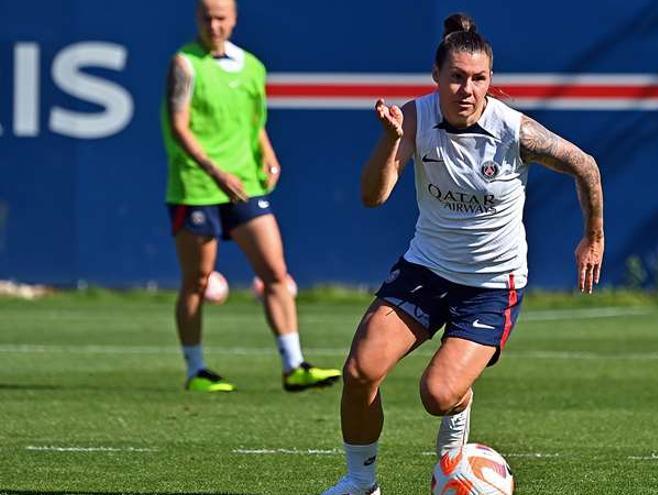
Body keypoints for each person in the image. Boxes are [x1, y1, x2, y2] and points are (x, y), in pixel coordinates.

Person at [321, 12, 604, 495]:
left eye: (478, 79)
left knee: (438, 394)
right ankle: (361, 483)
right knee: (359, 371)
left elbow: (585, 165)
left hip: (491, 287)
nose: (467, 89)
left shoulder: (515, 132)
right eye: (456, 77)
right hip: (425, 270)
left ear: (490, 81)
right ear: (437, 77)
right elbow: (373, 196)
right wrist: (389, 143)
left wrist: (593, 237)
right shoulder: (414, 118)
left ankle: (459, 406)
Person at [161, 0, 341, 393]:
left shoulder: (252, 66)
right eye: (207, 17)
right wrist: (214, 171)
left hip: (244, 184)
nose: (214, 24)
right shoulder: (185, 63)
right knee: (197, 279)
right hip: (197, 185)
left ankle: (294, 365)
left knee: (275, 272)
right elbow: (178, 127)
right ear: (197, 18)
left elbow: (254, 123)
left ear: (234, 19)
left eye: (221, 17)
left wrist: (269, 154)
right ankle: (197, 371)